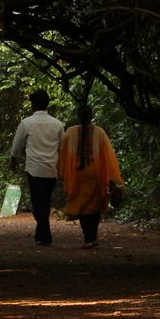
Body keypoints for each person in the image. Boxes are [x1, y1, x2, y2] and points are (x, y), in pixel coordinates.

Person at [57, 102, 123, 248]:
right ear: (92, 116)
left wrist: (62, 174)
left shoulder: (70, 132)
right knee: (95, 206)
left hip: (78, 174)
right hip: (96, 174)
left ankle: (88, 238)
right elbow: (108, 157)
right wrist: (111, 178)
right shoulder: (99, 132)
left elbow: (63, 156)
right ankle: (93, 237)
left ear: (78, 117)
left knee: (82, 207)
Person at [9, 90, 64, 245]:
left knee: (37, 202)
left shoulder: (26, 123)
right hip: (51, 168)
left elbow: (16, 145)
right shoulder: (57, 124)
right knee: (45, 201)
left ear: (33, 105)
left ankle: (45, 234)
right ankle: (41, 235)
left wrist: (14, 160)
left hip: (34, 168)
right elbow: (64, 147)